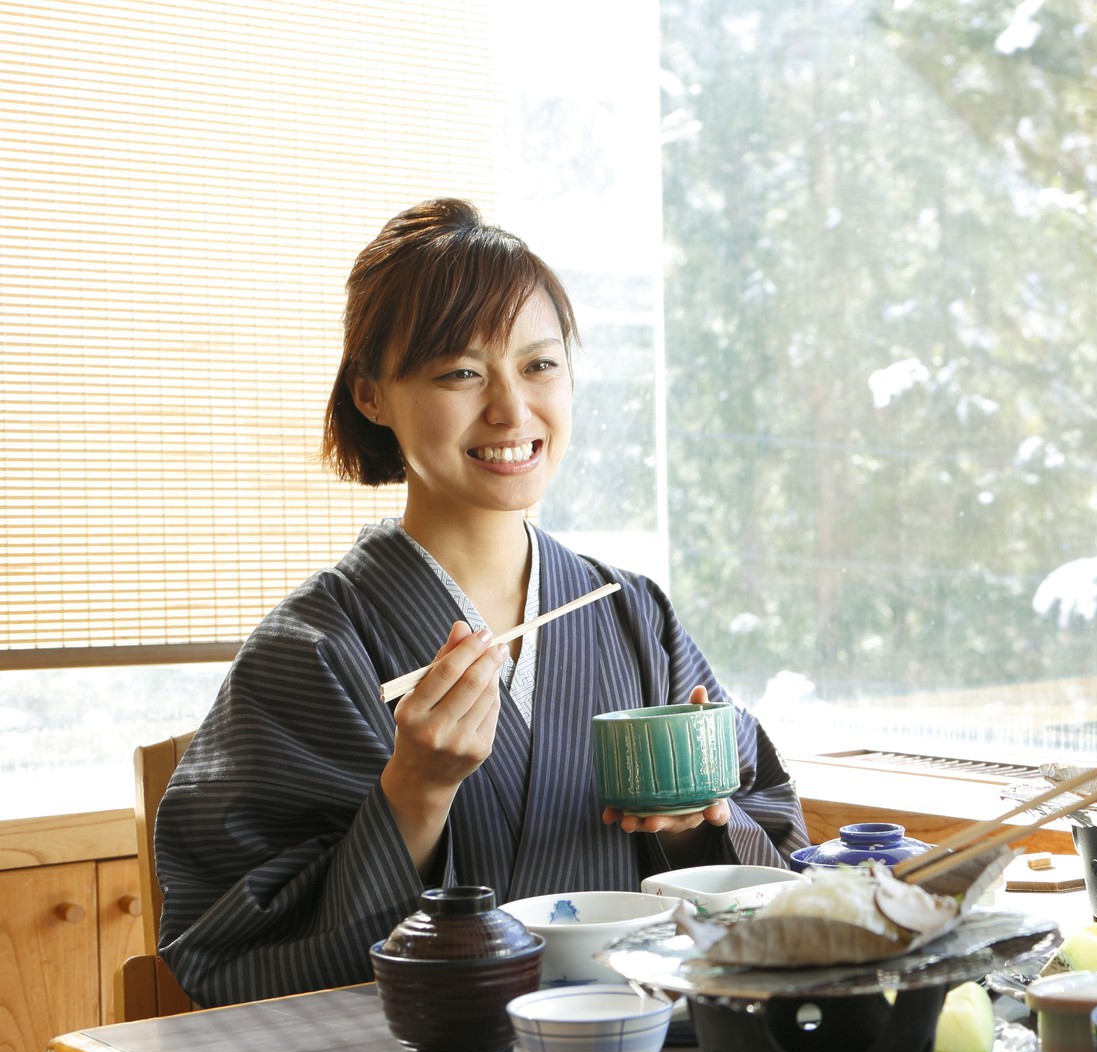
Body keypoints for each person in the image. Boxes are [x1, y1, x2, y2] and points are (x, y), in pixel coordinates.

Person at [155, 199, 808, 1008]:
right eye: (460, 372)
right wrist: (415, 794)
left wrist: (695, 828)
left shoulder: (631, 612)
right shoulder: (316, 645)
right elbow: (228, 948)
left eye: (539, 366)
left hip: (630, 1051)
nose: (510, 410)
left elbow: (774, 858)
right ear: (371, 394)